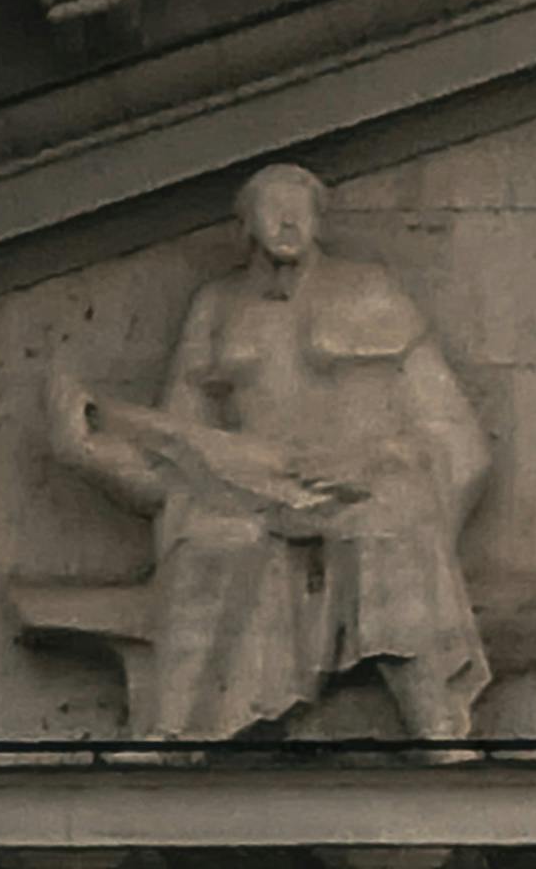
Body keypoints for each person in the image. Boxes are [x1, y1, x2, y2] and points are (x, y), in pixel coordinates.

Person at [45, 161, 492, 747]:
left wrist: (378, 464)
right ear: (244, 226)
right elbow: (177, 458)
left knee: (386, 531)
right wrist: (89, 454)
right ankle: (179, 739)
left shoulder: (371, 291)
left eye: (300, 206)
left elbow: (455, 435)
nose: (287, 220)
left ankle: (439, 728)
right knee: (214, 538)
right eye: (271, 206)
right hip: (250, 495)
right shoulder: (215, 307)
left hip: (368, 485)